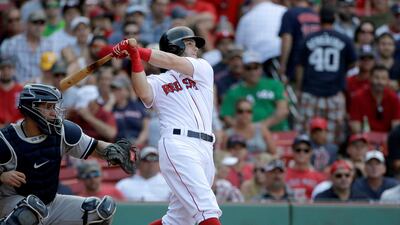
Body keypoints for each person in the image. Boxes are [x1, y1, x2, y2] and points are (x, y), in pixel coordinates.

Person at [112, 26, 222, 225]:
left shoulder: (202, 68)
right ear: (174, 46)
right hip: (178, 144)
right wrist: (135, 57)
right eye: (189, 43)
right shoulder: (158, 80)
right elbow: (143, 91)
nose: (195, 48)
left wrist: (139, 50)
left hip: (206, 148)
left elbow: (172, 61)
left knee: (179, 219)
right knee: (206, 209)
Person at [0, 84, 135, 224]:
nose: (54, 113)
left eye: (54, 107)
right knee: (29, 213)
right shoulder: (5, 139)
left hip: (50, 202)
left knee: (100, 211)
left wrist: (116, 151)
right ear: (31, 108)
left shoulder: (61, 131)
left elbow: (94, 146)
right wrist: (2, 176)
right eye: (48, 107)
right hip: (13, 203)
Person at [349, 65, 400, 133]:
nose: (380, 82)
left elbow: (396, 125)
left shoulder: (394, 98)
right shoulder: (358, 97)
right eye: (376, 78)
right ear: (370, 78)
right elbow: (355, 126)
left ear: (388, 80)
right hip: (364, 138)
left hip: (387, 138)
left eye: (383, 78)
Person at [285, 134, 326, 201]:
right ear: (292, 151)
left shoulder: (319, 178)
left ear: (311, 152)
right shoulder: (284, 175)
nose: (302, 153)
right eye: (298, 150)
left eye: (306, 150)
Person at [0, 59, 23, 128]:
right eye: (2, 69)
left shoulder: (20, 90)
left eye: (9, 69)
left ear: (14, 71)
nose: (6, 72)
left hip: (17, 128)